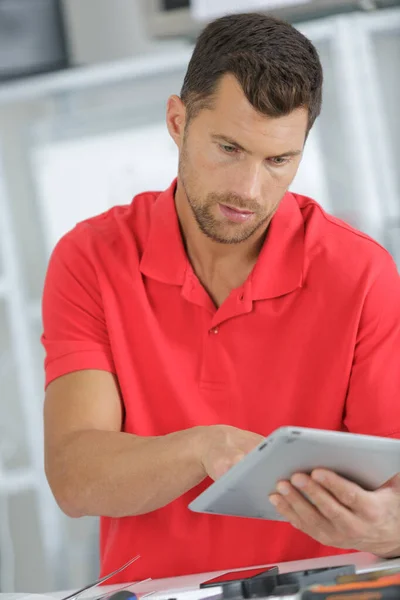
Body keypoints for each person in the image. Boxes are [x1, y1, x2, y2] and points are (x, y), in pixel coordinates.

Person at [42, 12, 400, 584]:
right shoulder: (91, 258)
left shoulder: (360, 273)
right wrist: (205, 448)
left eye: (278, 160)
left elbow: (393, 481)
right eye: (229, 148)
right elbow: (75, 477)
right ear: (177, 121)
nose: (249, 190)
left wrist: (388, 526)